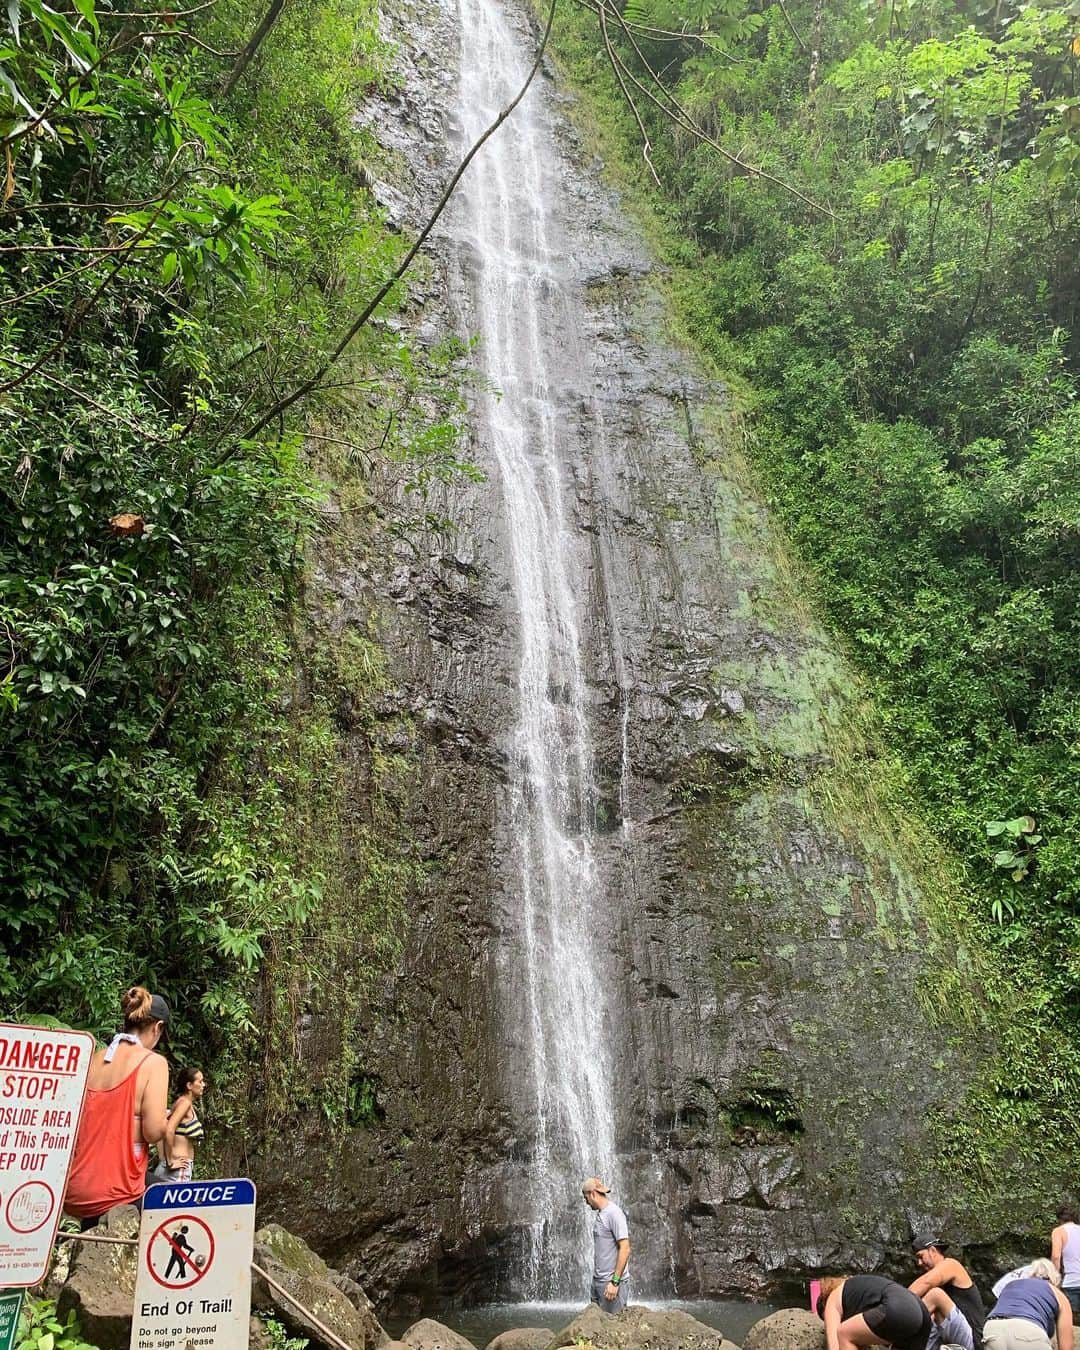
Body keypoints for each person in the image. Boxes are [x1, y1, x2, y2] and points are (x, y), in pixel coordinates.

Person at [64, 986, 171, 1222]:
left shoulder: (94, 1058)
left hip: (73, 1190)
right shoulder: (153, 1064)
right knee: (178, 1203)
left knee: (153, 1183)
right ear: (158, 1028)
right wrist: (164, 1120)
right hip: (116, 1191)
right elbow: (153, 1132)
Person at [910, 1235, 987, 1349]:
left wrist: (898, 1307)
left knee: (935, 1295)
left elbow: (925, 1282)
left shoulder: (951, 1265)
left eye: (921, 1256)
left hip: (974, 1340)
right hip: (952, 1338)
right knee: (928, 1318)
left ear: (932, 1250)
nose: (919, 1263)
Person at [818, 1274, 932, 1350]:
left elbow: (834, 1346)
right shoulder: (857, 1290)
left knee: (842, 1333)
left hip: (898, 1308)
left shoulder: (831, 1299)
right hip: (921, 1312)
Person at [983, 1263, 1073, 1350]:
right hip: (1027, 1331)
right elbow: (1066, 1347)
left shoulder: (1010, 1285)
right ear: (1054, 1280)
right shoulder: (1059, 1295)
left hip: (993, 1329)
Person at [581, 1177, 630, 1314]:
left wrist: (615, 1282)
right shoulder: (602, 1213)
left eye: (586, 1198)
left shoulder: (614, 1213)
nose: (586, 1202)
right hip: (598, 1282)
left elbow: (625, 1248)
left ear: (593, 1194)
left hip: (611, 1285)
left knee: (614, 1329)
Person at [153, 1067, 206, 1184]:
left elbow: (163, 1128)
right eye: (200, 1082)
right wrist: (170, 1162)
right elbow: (169, 1130)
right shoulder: (185, 1104)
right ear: (189, 1086)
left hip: (174, 1169)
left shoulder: (180, 1103)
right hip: (177, 1171)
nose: (204, 1085)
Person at [1050, 1204, 1080, 1314]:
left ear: (1059, 1218)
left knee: (1071, 1320)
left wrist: (1055, 1278)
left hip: (1072, 1282)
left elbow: (1056, 1256)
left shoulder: (1059, 1231)